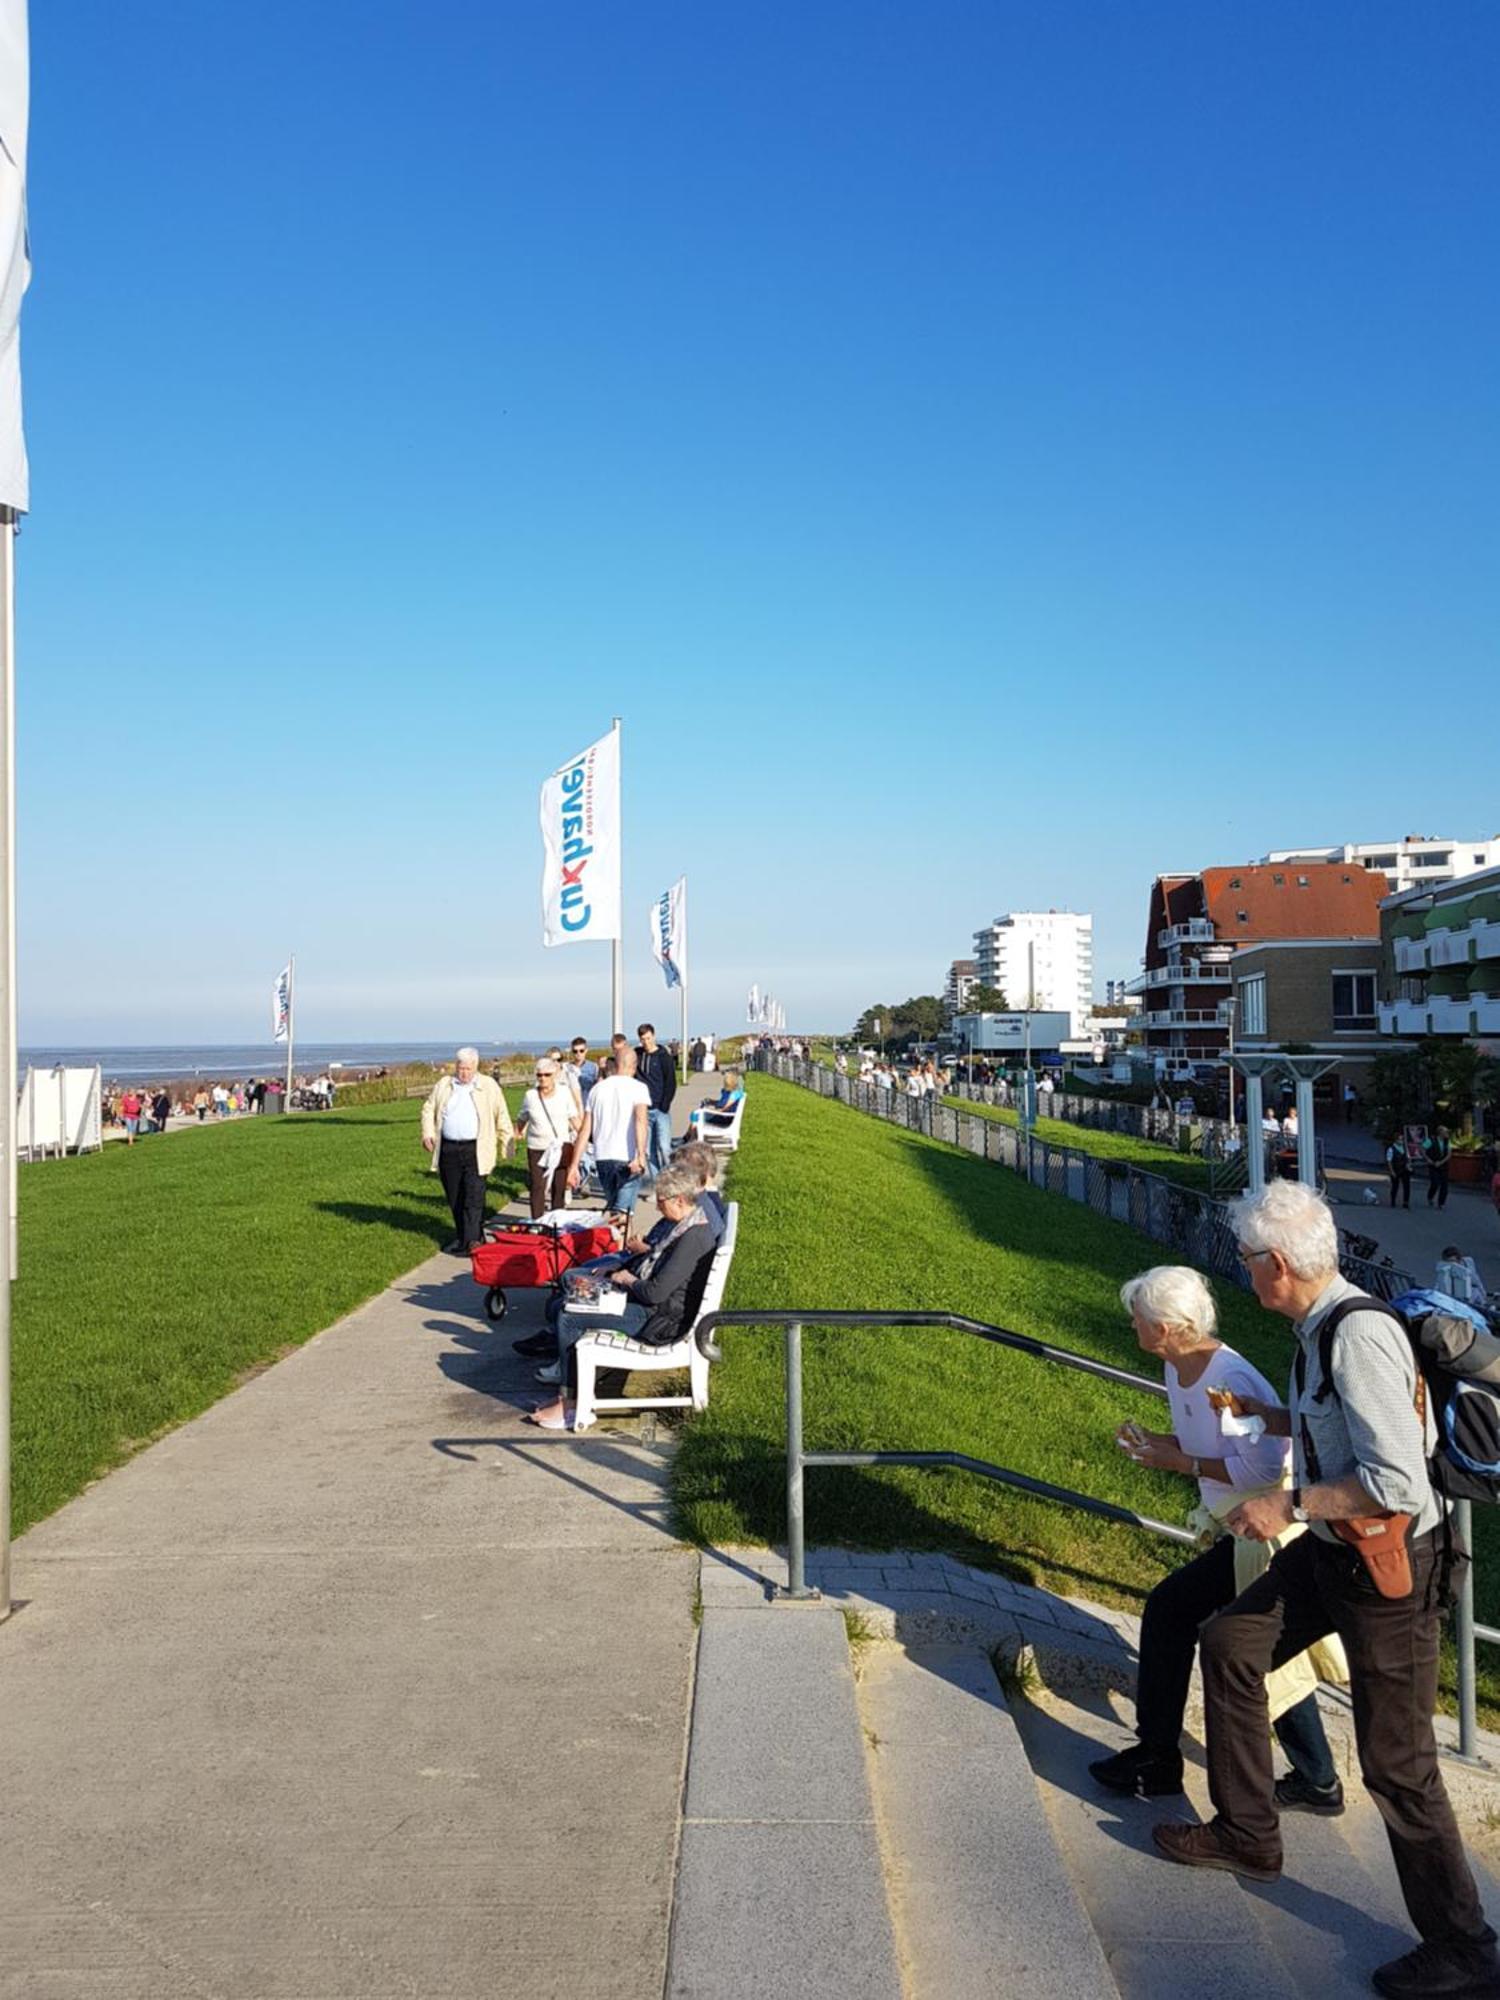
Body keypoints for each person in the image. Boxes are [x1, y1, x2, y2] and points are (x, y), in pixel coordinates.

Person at [1151, 1180, 1496, 2000]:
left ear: (1277, 1266)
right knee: (1229, 1642)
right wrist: (1274, 1426)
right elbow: (1335, 1427)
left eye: (1245, 1259)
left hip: (1389, 1569)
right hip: (1334, 1553)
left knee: (1397, 1764)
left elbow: (1395, 1481)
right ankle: (1248, 1833)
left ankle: (1466, 1949)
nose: (1241, 1271)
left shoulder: (1356, 1336)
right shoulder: (1317, 1328)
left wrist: (1288, 1503)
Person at [1088, 1265, 1342, 1813]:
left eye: (1141, 1317)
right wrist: (1158, 1441)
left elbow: (1261, 1469)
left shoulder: (1229, 1381)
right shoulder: (1179, 1367)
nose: (1132, 1323)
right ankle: (1312, 1776)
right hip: (1237, 1524)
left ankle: (1165, 1757)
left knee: (1213, 1630)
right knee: (1234, 1638)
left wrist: (1178, 1461)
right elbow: (1207, 1442)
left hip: (1263, 1529)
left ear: (1170, 1327)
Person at [528, 1159, 719, 1431]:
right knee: (574, 1296)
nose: (657, 1206)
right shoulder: (688, 1225)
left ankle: (571, 1404)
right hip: (653, 1309)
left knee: (569, 1316)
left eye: (661, 1200)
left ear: (679, 1200)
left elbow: (656, 1293)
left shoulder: (692, 1237)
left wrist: (627, 1280)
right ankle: (571, 1391)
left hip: (659, 1321)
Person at [420, 1047, 516, 1253]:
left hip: (476, 1148)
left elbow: (502, 1114)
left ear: (476, 1067)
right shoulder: (444, 1085)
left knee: (474, 1195)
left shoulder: (488, 1086)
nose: (463, 1072)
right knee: (455, 1196)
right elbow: (429, 1108)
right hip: (449, 1148)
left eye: (468, 1068)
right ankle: (465, 1238)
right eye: (460, 1067)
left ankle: (473, 1242)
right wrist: (428, 1133)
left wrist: (507, 1143)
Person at [568, 1044, 649, 1220]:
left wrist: (574, 1165)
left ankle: (619, 1244)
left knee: (616, 1210)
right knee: (622, 1215)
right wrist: (641, 1154)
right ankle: (618, 1246)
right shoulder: (639, 1088)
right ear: (634, 1066)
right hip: (627, 1157)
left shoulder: (598, 1089)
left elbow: (585, 1129)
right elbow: (641, 1121)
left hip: (603, 1157)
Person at [515, 1057, 580, 1220]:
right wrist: (517, 1133)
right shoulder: (530, 1095)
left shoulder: (564, 1092)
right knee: (537, 1187)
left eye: (547, 1075)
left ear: (555, 1075)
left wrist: (586, 1136)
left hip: (560, 1147)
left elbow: (574, 1118)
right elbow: (522, 1117)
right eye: (539, 1075)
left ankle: (556, 1222)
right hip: (537, 1147)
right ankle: (537, 1222)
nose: (543, 1079)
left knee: (559, 1187)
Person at [635, 1022, 678, 1182]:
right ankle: (658, 1184)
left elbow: (671, 1082)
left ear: (653, 1036)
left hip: (660, 1110)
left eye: (648, 1038)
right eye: (643, 1039)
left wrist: (664, 1105)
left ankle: (673, 1181)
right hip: (643, 1110)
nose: (646, 1042)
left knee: (664, 1147)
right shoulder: (638, 1054)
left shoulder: (663, 1056)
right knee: (648, 1151)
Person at [690, 1070, 745, 1135]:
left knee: (696, 1115)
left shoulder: (734, 1094)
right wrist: (711, 1101)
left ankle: (691, 1138)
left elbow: (724, 1108)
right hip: (723, 1116)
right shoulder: (732, 1092)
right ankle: (688, 1137)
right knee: (695, 1114)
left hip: (725, 1118)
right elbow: (722, 1104)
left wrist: (709, 1110)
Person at [1435, 1246, 1486, 1311]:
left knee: (1475, 1292)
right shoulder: (1445, 1268)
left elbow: (1476, 1282)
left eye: (1453, 1261)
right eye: (1448, 1262)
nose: (1451, 1264)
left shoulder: (1467, 1266)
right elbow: (1439, 1283)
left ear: (1459, 1260)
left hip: (1469, 1295)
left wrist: (1483, 1295)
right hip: (1451, 1297)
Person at [1426, 1125, 1452, 1210]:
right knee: (1435, 1183)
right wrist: (1428, 1159)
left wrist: (1441, 1162)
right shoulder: (1431, 1140)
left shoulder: (1447, 1141)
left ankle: (1441, 1203)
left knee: (1444, 1185)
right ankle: (1430, 1196)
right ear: (1440, 1133)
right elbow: (1422, 1148)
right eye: (1445, 1132)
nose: (1447, 1133)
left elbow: (1449, 1154)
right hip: (1433, 1164)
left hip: (1443, 1165)